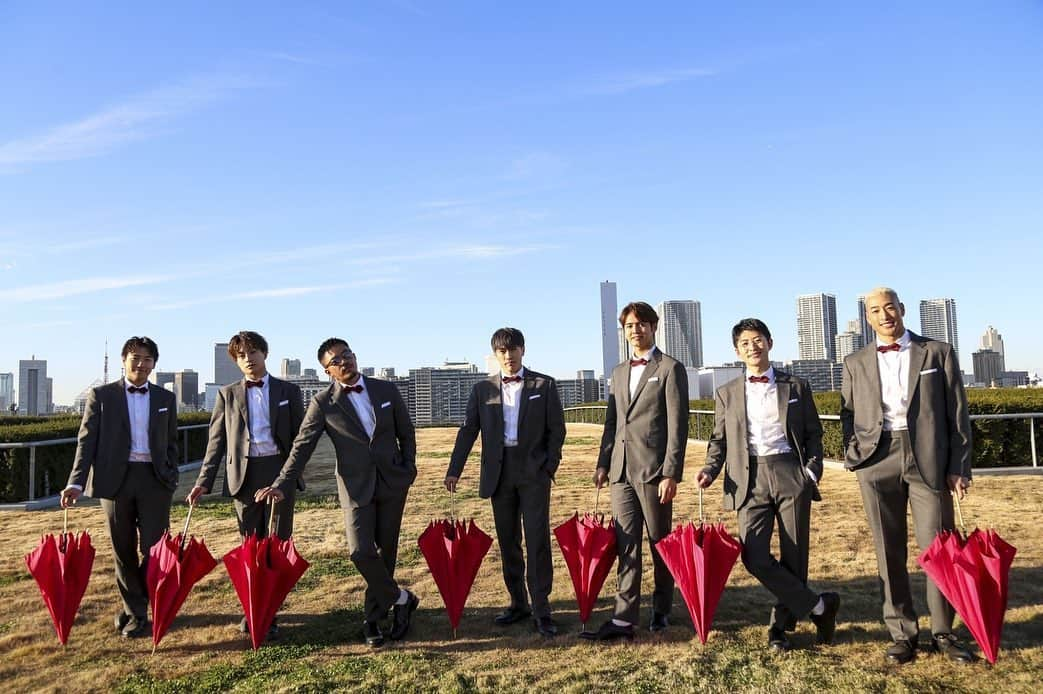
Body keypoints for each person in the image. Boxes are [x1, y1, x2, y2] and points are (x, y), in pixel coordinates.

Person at [255, 338, 418, 648]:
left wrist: (408, 468)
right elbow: (301, 448)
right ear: (327, 370)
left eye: (347, 355)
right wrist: (281, 483)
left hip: (392, 482)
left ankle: (373, 619)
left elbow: (405, 432)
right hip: (355, 487)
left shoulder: (386, 390)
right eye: (336, 360)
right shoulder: (323, 403)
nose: (345, 362)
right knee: (360, 551)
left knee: (386, 553)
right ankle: (402, 598)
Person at [841, 287, 974, 664]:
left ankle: (944, 632)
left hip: (928, 459)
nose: (885, 315)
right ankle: (902, 632)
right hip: (876, 459)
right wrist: (856, 453)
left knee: (938, 548)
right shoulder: (854, 361)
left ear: (902, 309)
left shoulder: (938, 352)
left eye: (890, 308)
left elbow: (958, 416)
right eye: (875, 311)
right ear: (868, 318)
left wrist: (958, 467)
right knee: (889, 550)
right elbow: (848, 412)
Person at [697, 318, 840, 651]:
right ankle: (820, 607)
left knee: (794, 556)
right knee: (754, 556)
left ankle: (780, 628)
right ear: (737, 351)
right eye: (745, 343)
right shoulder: (726, 393)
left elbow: (813, 434)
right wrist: (709, 470)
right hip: (749, 478)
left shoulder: (797, 386)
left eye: (758, 340)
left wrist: (811, 473)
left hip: (790, 472)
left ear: (770, 343)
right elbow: (719, 440)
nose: (753, 347)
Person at [444, 327, 566, 637]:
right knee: (509, 541)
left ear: (523, 350)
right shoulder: (481, 389)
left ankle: (542, 608)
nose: (508, 356)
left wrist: (549, 466)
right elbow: (468, 430)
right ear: (495, 355)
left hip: (534, 473)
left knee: (537, 540)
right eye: (502, 351)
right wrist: (454, 469)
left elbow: (557, 430)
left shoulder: (545, 385)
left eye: (513, 349)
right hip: (499, 474)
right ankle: (518, 603)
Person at [186, 331, 304, 638]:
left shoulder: (289, 391)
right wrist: (204, 482)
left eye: (253, 352)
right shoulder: (227, 394)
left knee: (276, 544)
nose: (248, 359)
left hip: (278, 471)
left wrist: (287, 477)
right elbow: (216, 443)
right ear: (236, 362)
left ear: (265, 354)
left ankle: (271, 611)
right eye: (241, 356)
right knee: (249, 545)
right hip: (244, 476)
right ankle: (253, 608)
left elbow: (299, 440)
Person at [583, 301, 688, 641]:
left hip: (654, 472)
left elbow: (678, 425)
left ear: (654, 327)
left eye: (642, 324)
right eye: (629, 325)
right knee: (626, 544)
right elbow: (613, 423)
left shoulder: (670, 368)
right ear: (624, 331)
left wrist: (671, 472)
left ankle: (661, 609)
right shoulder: (618, 372)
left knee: (660, 544)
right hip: (620, 474)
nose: (636, 330)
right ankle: (624, 618)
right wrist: (603, 463)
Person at [61, 336, 178, 638]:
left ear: (154, 363)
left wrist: (171, 473)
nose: (141, 364)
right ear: (124, 360)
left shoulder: (165, 398)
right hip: (115, 482)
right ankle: (137, 614)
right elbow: (86, 442)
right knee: (122, 549)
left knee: (155, 549)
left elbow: (171, 441)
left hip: (154, 480)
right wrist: (76, 482)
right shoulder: (101, 396)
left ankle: (134, 603)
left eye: (148, 359)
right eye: (135, 358)